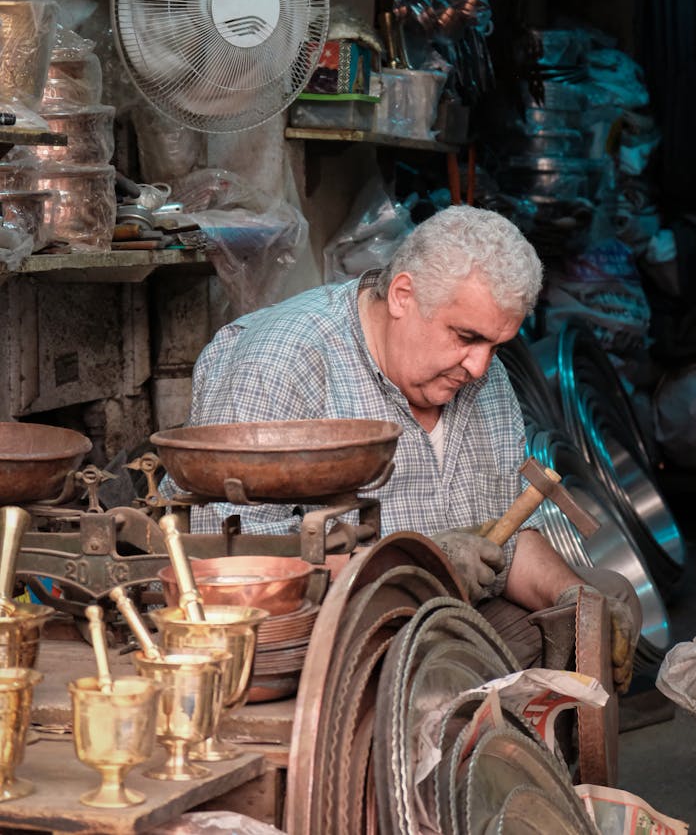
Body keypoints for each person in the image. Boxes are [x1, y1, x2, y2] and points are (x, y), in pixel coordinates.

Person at [168, 205, 641, 691]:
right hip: (323, 631)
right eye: (466, 337)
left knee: (604, 601)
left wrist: (574, 600)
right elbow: (225, 562)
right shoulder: (282, 359)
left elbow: (514, 535)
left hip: (437, 620)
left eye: (496, 346)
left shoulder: (484, 378)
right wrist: (415, 565)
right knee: (445, 677)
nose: (479, 366)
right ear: (402, 295)